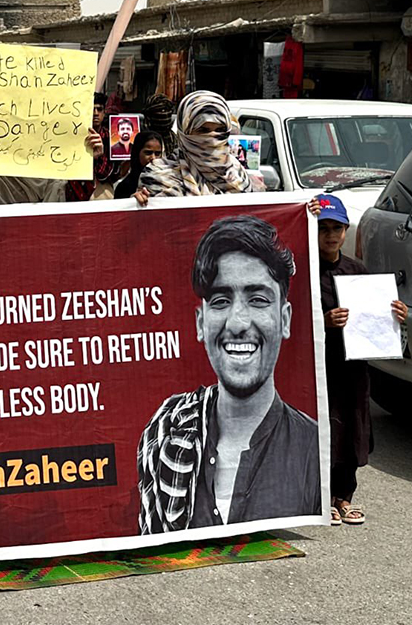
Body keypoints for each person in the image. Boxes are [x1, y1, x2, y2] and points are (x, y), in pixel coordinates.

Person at [137, 215, 320, 533]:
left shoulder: (315, 449)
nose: (237, 323)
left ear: (285, 319)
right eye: (220, 301)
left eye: (259, 300)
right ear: (200, 323)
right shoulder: (164, 430)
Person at [314, 194, 408, 526]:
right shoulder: (306, 273)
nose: (330, 235)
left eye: (336, 228)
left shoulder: (357, 271)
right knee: (326, 429)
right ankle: (322, 498)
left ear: (345, 231)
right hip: (322, 367)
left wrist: (397, 314)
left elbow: (377, 316)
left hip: (354, 369)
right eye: (323, 228)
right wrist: (323, 321)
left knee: (352, 428)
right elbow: (292, 319)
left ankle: (345, 497)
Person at [134, 91, 258, 204]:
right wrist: (138, 204)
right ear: (184, 131)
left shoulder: (236, 171)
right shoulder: (157, 174)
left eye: (220, 130)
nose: (212, 138)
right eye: (203, 130)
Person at [65, 92, 115, 202]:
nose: (95, 113)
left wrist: (98, 157)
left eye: (99, 109)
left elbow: (105, 175)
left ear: (104, 112)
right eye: (91, 109)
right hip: (74, 187)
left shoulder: (110, 137)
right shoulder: (73, 135)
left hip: (98, 189)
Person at [114, 130, 165, 200]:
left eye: (157, 154)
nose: (153, 158)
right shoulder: (124, 187)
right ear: (137, 153)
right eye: (148, 153)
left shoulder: (168, 181)